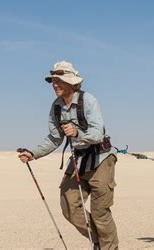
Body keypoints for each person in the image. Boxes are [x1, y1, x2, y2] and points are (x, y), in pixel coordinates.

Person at [18, 61, 118, 250]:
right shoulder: (56, 106)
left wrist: (77, 133)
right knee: (69, 207)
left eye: (59, 81)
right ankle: (97, 240)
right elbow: (55, 138)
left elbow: (98, 133)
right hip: (78, 159)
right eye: (53, 81)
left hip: (101, 158)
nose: (55, 85)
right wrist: (33, 153)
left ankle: (108, 247)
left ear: (71, 83)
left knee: (100, 213)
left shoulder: (88, 100)